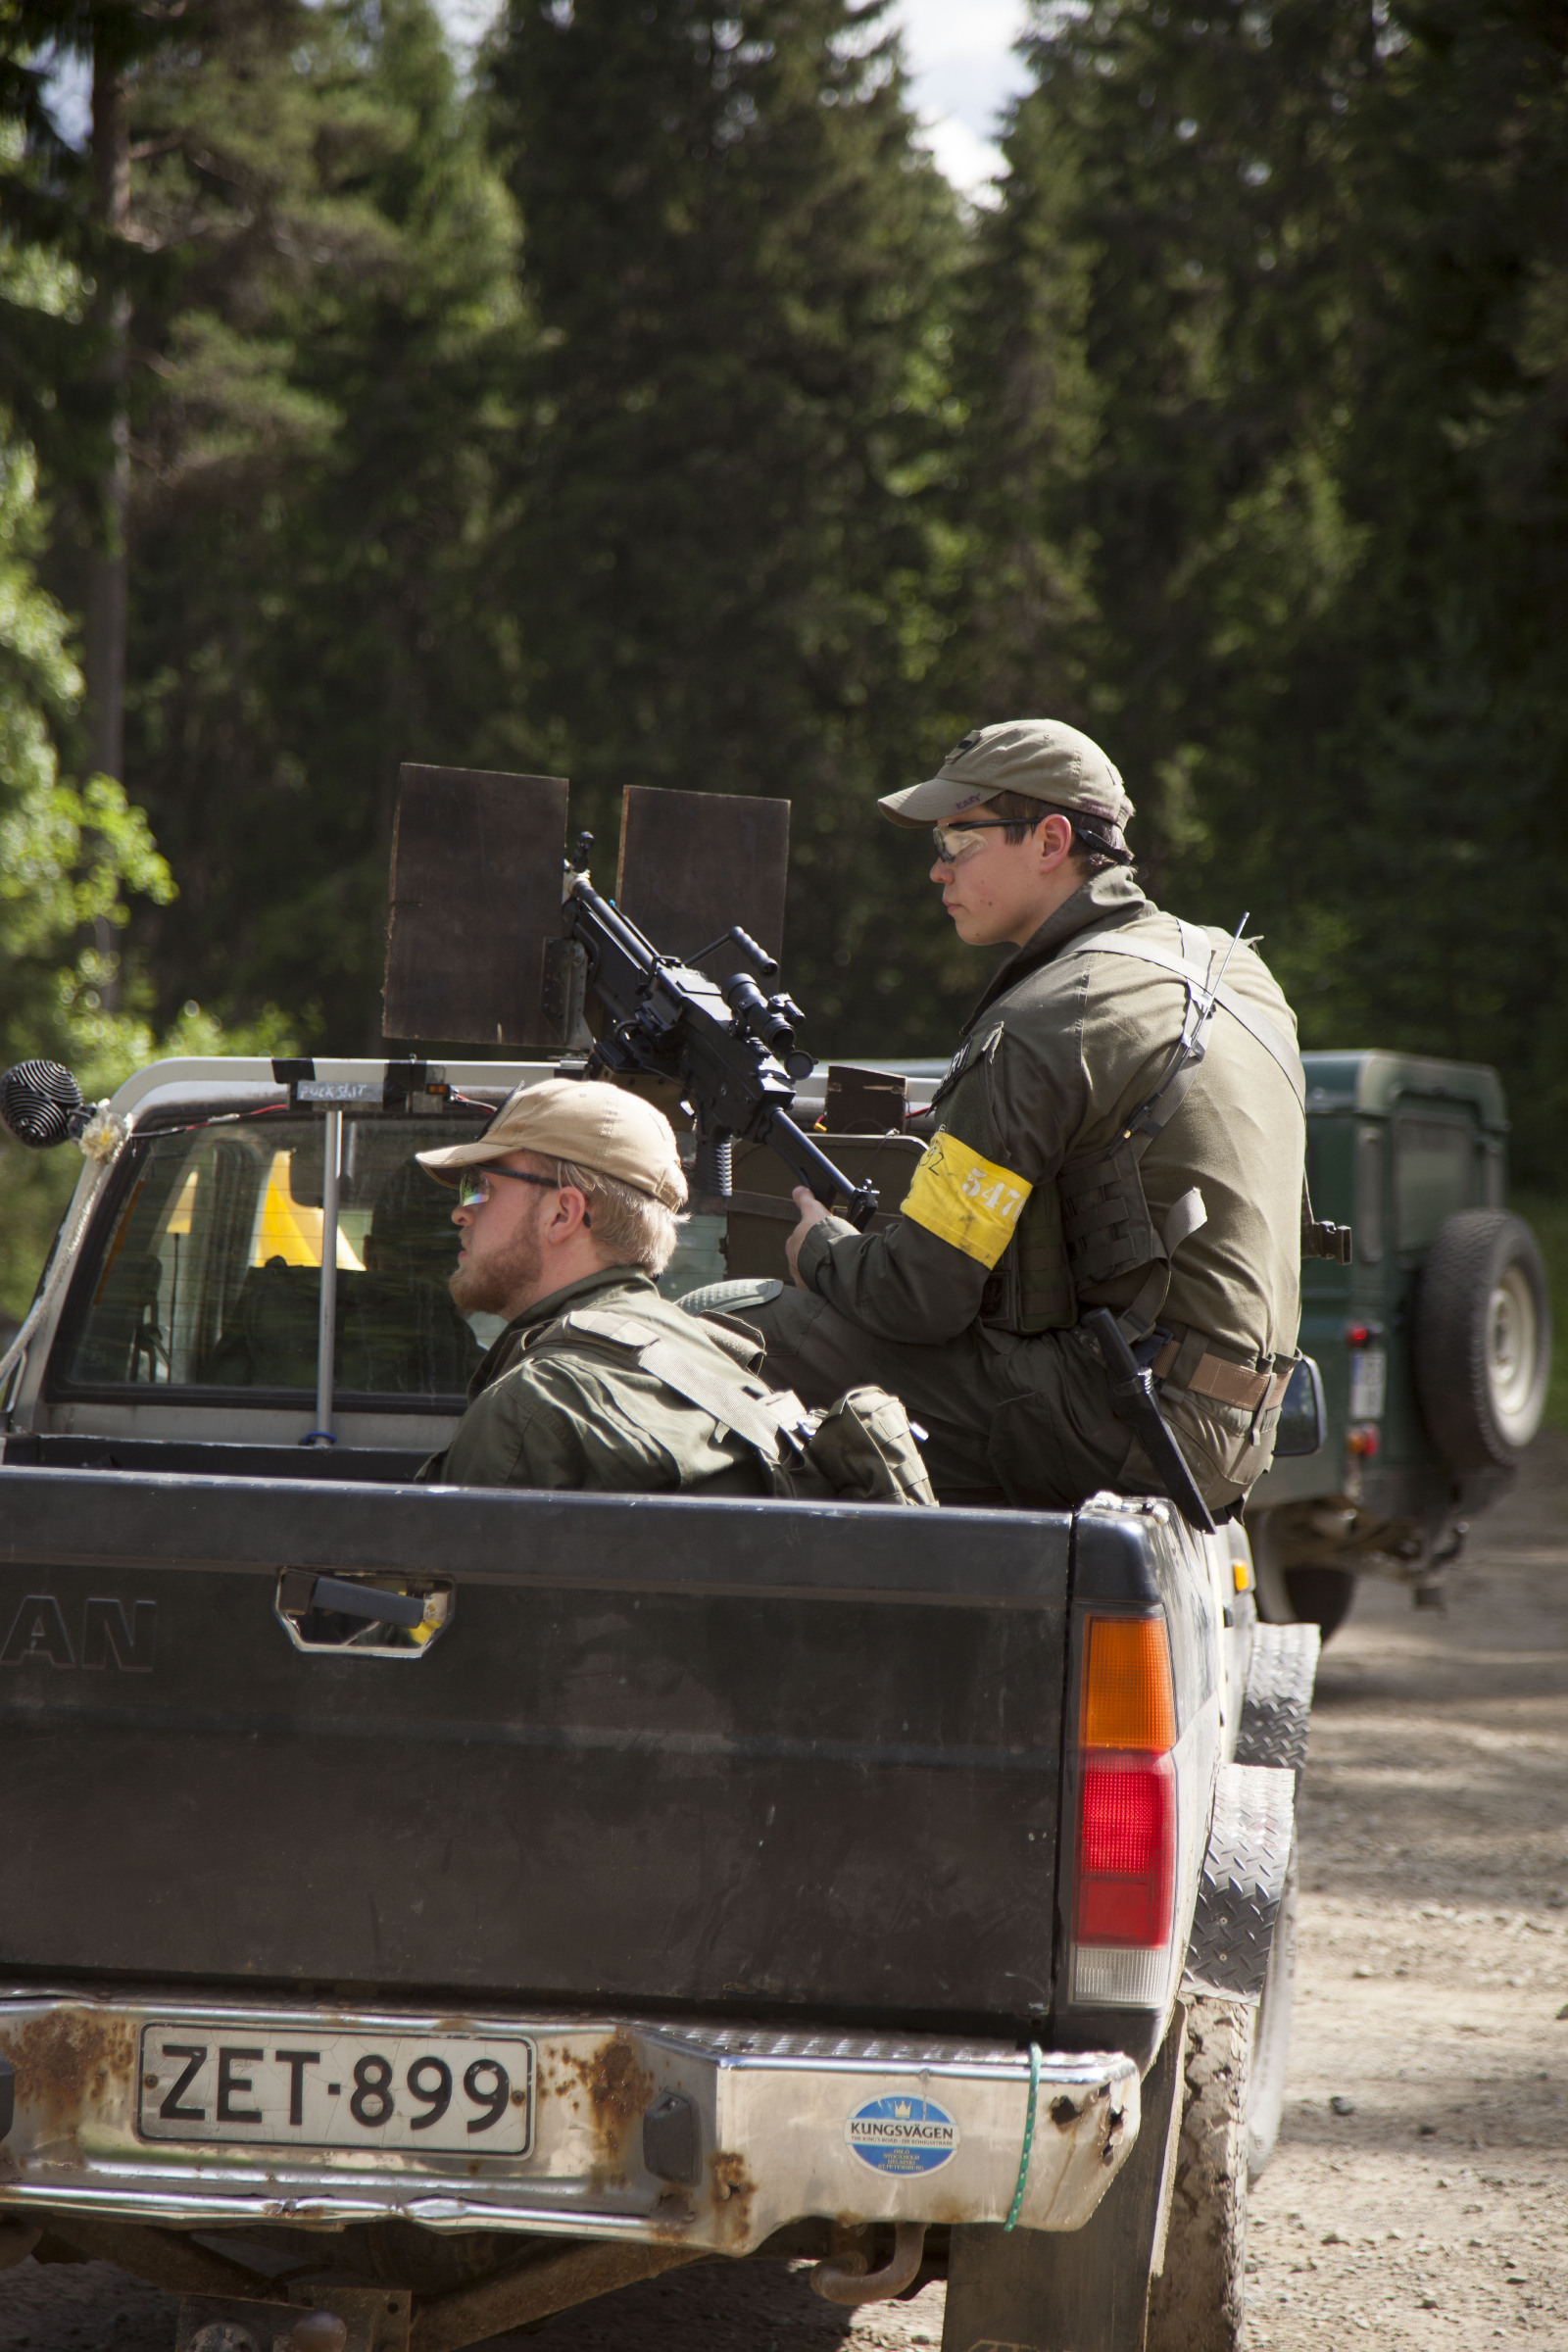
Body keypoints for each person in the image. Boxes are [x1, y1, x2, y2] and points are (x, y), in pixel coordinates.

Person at [741, 718, 1307, 1517]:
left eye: (956, 840)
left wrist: (823, 1250)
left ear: (1050, 841)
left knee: (744, 1324)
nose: (937, 870)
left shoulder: (1047, 1019)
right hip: (1240, 1424)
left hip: (1133, 1419)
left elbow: (919, 1297)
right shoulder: (1236, 971)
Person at [415, 1078, 798, 1494]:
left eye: (478, 1187)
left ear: (563, 1214)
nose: (460, 1213)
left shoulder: (536, 1403)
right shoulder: (704, 1357)